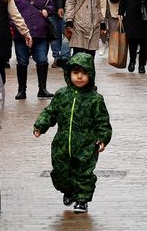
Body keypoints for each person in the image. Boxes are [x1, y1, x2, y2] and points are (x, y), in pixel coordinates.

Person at [32, 53, 111, 214]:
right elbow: (50, 112)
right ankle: (68, 190)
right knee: (61, 171)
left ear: (91, 75)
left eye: (84, 73)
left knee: (84, 173)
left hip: (86, 144)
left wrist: (102, 138)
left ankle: (82, 199)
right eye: (75, 73)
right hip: (62, 143)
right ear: (69, 74)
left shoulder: (95, 99)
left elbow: (102, 121)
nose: (79, 77)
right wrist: (41, 125)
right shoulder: (62, 95)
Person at [12, 0, 54, 99]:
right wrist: (19, 30)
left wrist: (48, 10)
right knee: (22, 61)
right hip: (22, 35)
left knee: (42, 59)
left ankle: (42, 89)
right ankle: (21, 90)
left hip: (41, 34)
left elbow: (51, 5)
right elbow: (11, 16)